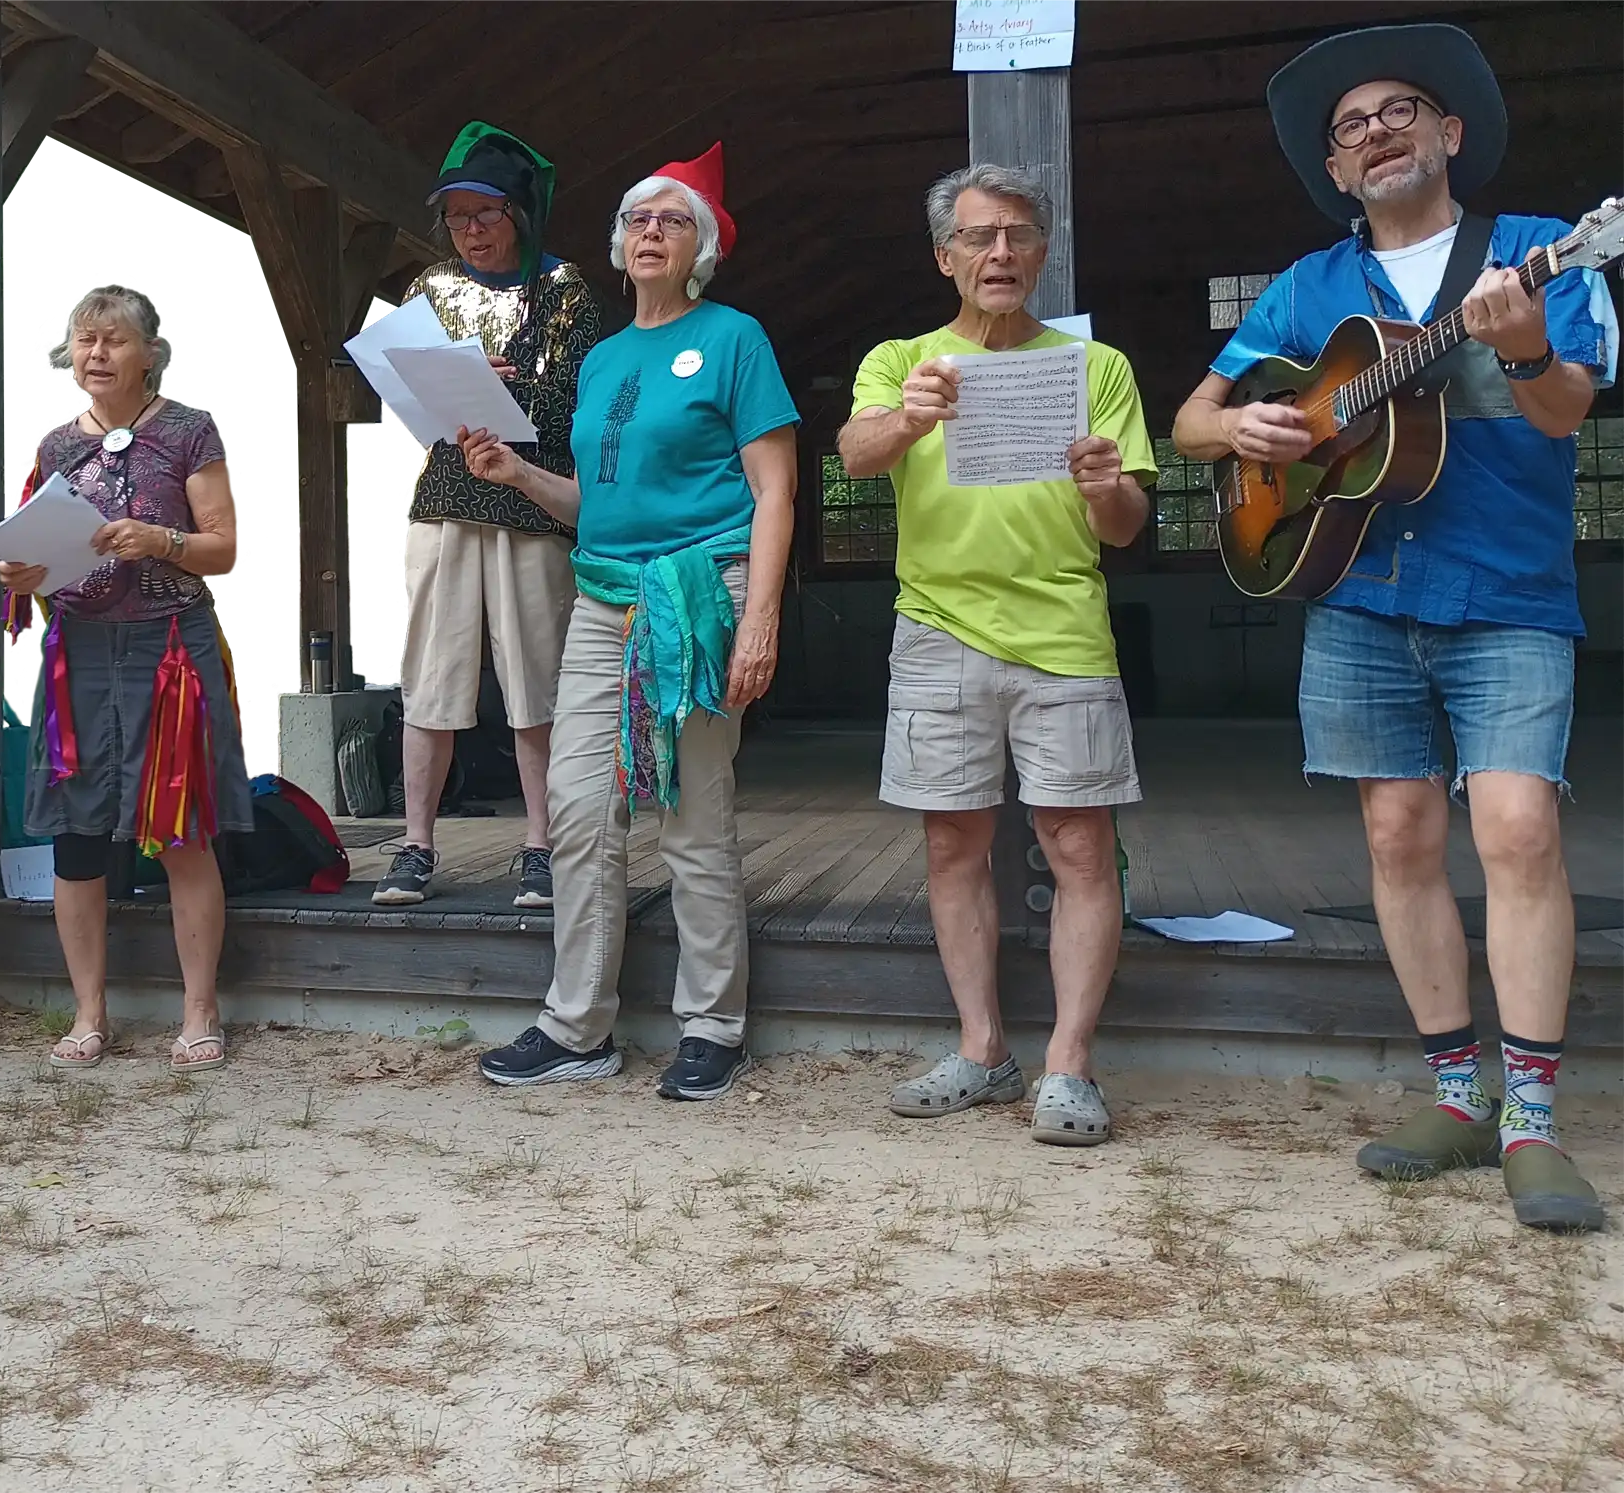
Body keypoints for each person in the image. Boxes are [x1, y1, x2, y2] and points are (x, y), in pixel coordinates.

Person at [1171, 25, 1618, 1229]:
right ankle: (1455, 1096)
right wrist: (1244, 436)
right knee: (1400, 836)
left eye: (1397, 112)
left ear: (1450, 132)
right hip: (1356, 594)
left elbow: (1568, 405)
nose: (1373, 133)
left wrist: (1522, 346)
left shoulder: (1537, 255)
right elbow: (1191, 420)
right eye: (1349, 127)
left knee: (1517, 830)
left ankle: (1530, 1120)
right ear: (1335, 170)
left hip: (1504, 587)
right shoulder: (1310, 288)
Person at [460, 144, 799, 1101]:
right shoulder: (604, 359)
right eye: (638, 219)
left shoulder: (735, 338)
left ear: (702, 248)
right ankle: (577, 1026)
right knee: (576, 808)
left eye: (672, 219)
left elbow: (776, 492)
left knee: (694, 813)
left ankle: (713, 1024)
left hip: (702, 593)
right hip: (605, 598)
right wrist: (519, 476)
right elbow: (597, 504)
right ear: (617, 245)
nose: (652, 231)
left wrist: (760, 620)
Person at [837, 165, 1156, 1147]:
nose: (1000, 253)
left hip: (1063, 632)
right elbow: (853, 453)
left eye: (1017, 235)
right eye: (977, 238)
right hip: (937, 628)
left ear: (1043, 251)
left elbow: (1125, 527)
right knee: (951, 845)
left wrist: (1104, 483)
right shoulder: (902, 360)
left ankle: (1068, 1064)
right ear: (946, 257)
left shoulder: (1092, 368)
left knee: (1076, 846)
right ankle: (982, 1048)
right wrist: (910, 417)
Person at [0, 284, 247, 1072]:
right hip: (78, 652)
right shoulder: (57, 446)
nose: (97, 353)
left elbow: (226, 548)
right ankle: (88, 1013)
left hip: (169, 649)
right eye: (84, 341)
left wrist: (160, 539)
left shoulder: (188, 430)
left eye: (113, 340)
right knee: (75, 835)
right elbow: (35, 556)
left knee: (178, 829)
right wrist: (20, 573)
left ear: (149, 354)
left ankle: (200, 1010)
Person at [373, 121, 600, 910]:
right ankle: (415, 843)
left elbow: (575, 398)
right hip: (442, 502)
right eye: (458, 216)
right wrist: (447, 386)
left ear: (520, 213)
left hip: (531, 498)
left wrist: (504, 390)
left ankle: (542, 844)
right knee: (429, 675)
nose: (469, 230)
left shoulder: (564, 287)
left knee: (538, 677)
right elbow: (403, 405)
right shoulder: (428, 288)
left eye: (485, 213)